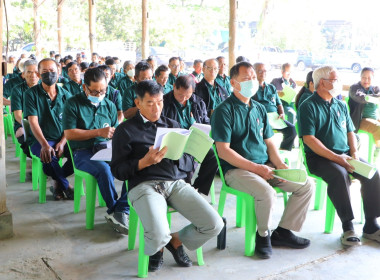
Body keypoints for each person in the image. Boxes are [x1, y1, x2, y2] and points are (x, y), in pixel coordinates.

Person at [110, 80, 223, 272]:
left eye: (160, 102)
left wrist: (181, 156)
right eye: (150, 103)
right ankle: (159, 248)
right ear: (138, 103)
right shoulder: (125, 130)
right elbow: (118, 171)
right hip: (144, 186)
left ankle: (175, 241)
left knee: (214, 224)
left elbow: (188, 163)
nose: (157, 108)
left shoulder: (172, 125)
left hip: (175, 183)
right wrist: (143, 162)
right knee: (158, 233)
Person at [211, 61, 313, 259]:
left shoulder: (259, 108)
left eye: (253, 78)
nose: (252, 81)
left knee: (306, 184)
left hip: (265, 166)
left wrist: (280, 164)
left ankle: (283, 232)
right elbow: (223, 151)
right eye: (246, 78)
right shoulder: (224, 111)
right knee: (267, 193)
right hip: (237, 170)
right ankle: (263, 235)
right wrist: (257, 169)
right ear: (233, 82)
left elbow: (269, 143)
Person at [298, 65, 380, 246]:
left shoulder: (340, 104)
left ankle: (371, 226)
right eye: (334, 80)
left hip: (345, 154)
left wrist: (354, 153)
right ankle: (348, 226)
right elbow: (310, 140)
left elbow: (351, 131)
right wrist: (337, 158)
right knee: (340, 174)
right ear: (321, 83)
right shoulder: (308, 106)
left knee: (372, 173)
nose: (338, 83)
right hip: (319, 158)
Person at [63, 67, 129, 234]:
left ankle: (122, 209)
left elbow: (113, 131)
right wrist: (98, 132)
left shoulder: (110, 106)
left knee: (133, 165)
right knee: (104, 169)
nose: (99, 94)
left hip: (105, 148)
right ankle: (115, 210)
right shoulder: (73, 103)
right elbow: (69, 134)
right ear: (85, 87)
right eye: (95, 91)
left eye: (103, 90)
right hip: (82, 152)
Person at [23, 58, 74, 200]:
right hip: (40, 140)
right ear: (39, 75)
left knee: (80, 154)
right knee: (48, 156)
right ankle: (67, 186)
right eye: (44, 72)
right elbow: (33, 122)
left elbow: (71, 123)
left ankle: (57, 183)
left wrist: (63, 142)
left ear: (59, 72)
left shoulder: (66, 95)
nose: (49, 74)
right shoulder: (31, 94)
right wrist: (45, 144)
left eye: (52, 71)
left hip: (63, 138)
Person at [162, 75, 217, 195]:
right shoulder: (163, 103)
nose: (183, 98)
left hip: (194, 140)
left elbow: (206, 122)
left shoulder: (197, 102)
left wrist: (196, 125)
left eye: (188, 95)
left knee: (213, 156)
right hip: (174, 143)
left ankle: (198, 189)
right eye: (180, 95)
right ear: (174, 88)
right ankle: (186, 188)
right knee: (186, 159)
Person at [252, 63, 296, 151]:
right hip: (260, 119)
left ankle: (283, 151)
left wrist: (282, 113)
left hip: (275, 118)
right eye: (260, 71)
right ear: (253, 72)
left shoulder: (271, 87)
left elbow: (279, 103)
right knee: (262, 134)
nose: (263, 73)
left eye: (265, 71)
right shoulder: (252, 88)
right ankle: (266, 155)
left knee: (292, 130)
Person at [348, 67, 380, 163]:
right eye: (364, 77)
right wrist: (375, 98)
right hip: (359, 120)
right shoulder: (354, 88)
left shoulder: (375, 88)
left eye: (369, 78)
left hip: (374, 118)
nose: (366, 80)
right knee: (378, 127)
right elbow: (361, 97)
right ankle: (377, 150)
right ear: (360, 77)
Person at [11, 59, 40, 157]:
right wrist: (27, 126)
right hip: (23, 124)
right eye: (29, 72)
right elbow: (18, 116)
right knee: (29, 140)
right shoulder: (18, 90)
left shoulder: (44, 88)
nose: (33, 75)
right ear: (23, 74)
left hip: (42, 124)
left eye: (36, 72)